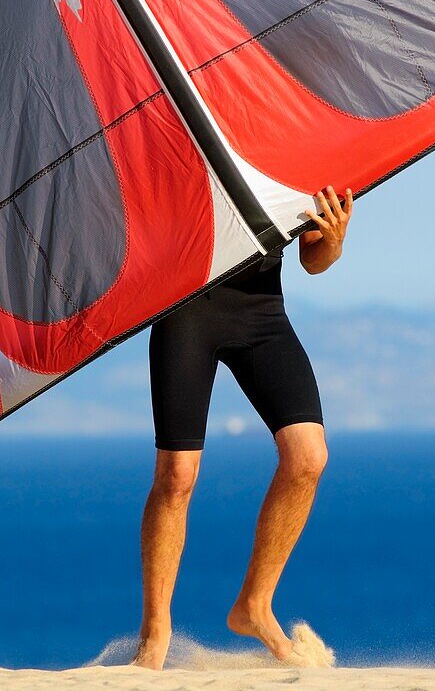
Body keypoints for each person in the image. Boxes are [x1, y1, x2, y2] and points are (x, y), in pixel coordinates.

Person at [133, 186, 354, 670]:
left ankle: (254, 605)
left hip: (261, 312)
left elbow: (312, 260)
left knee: (308, 457)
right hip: (186, 304)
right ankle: (154, 635)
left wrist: (333, 241)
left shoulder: (298, 138)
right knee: (177, 475)